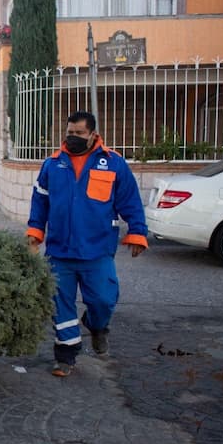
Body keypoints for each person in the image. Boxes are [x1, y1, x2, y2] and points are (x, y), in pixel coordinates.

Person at [26, 111, 147, 377]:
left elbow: (130, 201)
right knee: (61, 305)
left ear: (93, 134)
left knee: (103, 300)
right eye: (70, 132)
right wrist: (35, 234)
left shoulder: (113, 163)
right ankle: (66, 357)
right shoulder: (52, 164)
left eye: (79, 133)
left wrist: (137, 233)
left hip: (97, 250)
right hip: (60, 251)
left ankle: (97, 326)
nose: (73, 137)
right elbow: (40, 201)